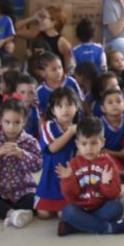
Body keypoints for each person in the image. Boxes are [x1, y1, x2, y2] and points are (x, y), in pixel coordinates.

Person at [55, 116, 124, 237]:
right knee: (68, 211)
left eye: (94, 143)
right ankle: (109, 228)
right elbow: (71, 196)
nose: (88, 148)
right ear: (77, 144)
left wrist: (106, 183)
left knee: (116, 207)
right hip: (81, 208)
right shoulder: (73, 164)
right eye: (84, 143)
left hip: (102, 207)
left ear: (102, 142)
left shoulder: (108, 163)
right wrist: (68, 180)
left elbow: (114, 194)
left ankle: (77, 226)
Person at [0, 98, 42, 228]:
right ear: (0, 121)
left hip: (23, 190)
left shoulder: (30, 142)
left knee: (37, 200)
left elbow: (38, 165)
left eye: (17, 122)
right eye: (7, 122)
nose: (11, 127)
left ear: (24, 122)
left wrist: (22, 154)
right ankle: (13, 214)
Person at [35, 86, 81, 219]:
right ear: (53, 111)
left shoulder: (79, 127)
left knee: (63, 214)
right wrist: (70, 132)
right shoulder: (48, 126)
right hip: (50, 176)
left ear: (77, 107)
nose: (65, 109)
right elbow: (53, 148)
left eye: (69, 104)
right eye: (59, 106)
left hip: (69, 174)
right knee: (43, 214)